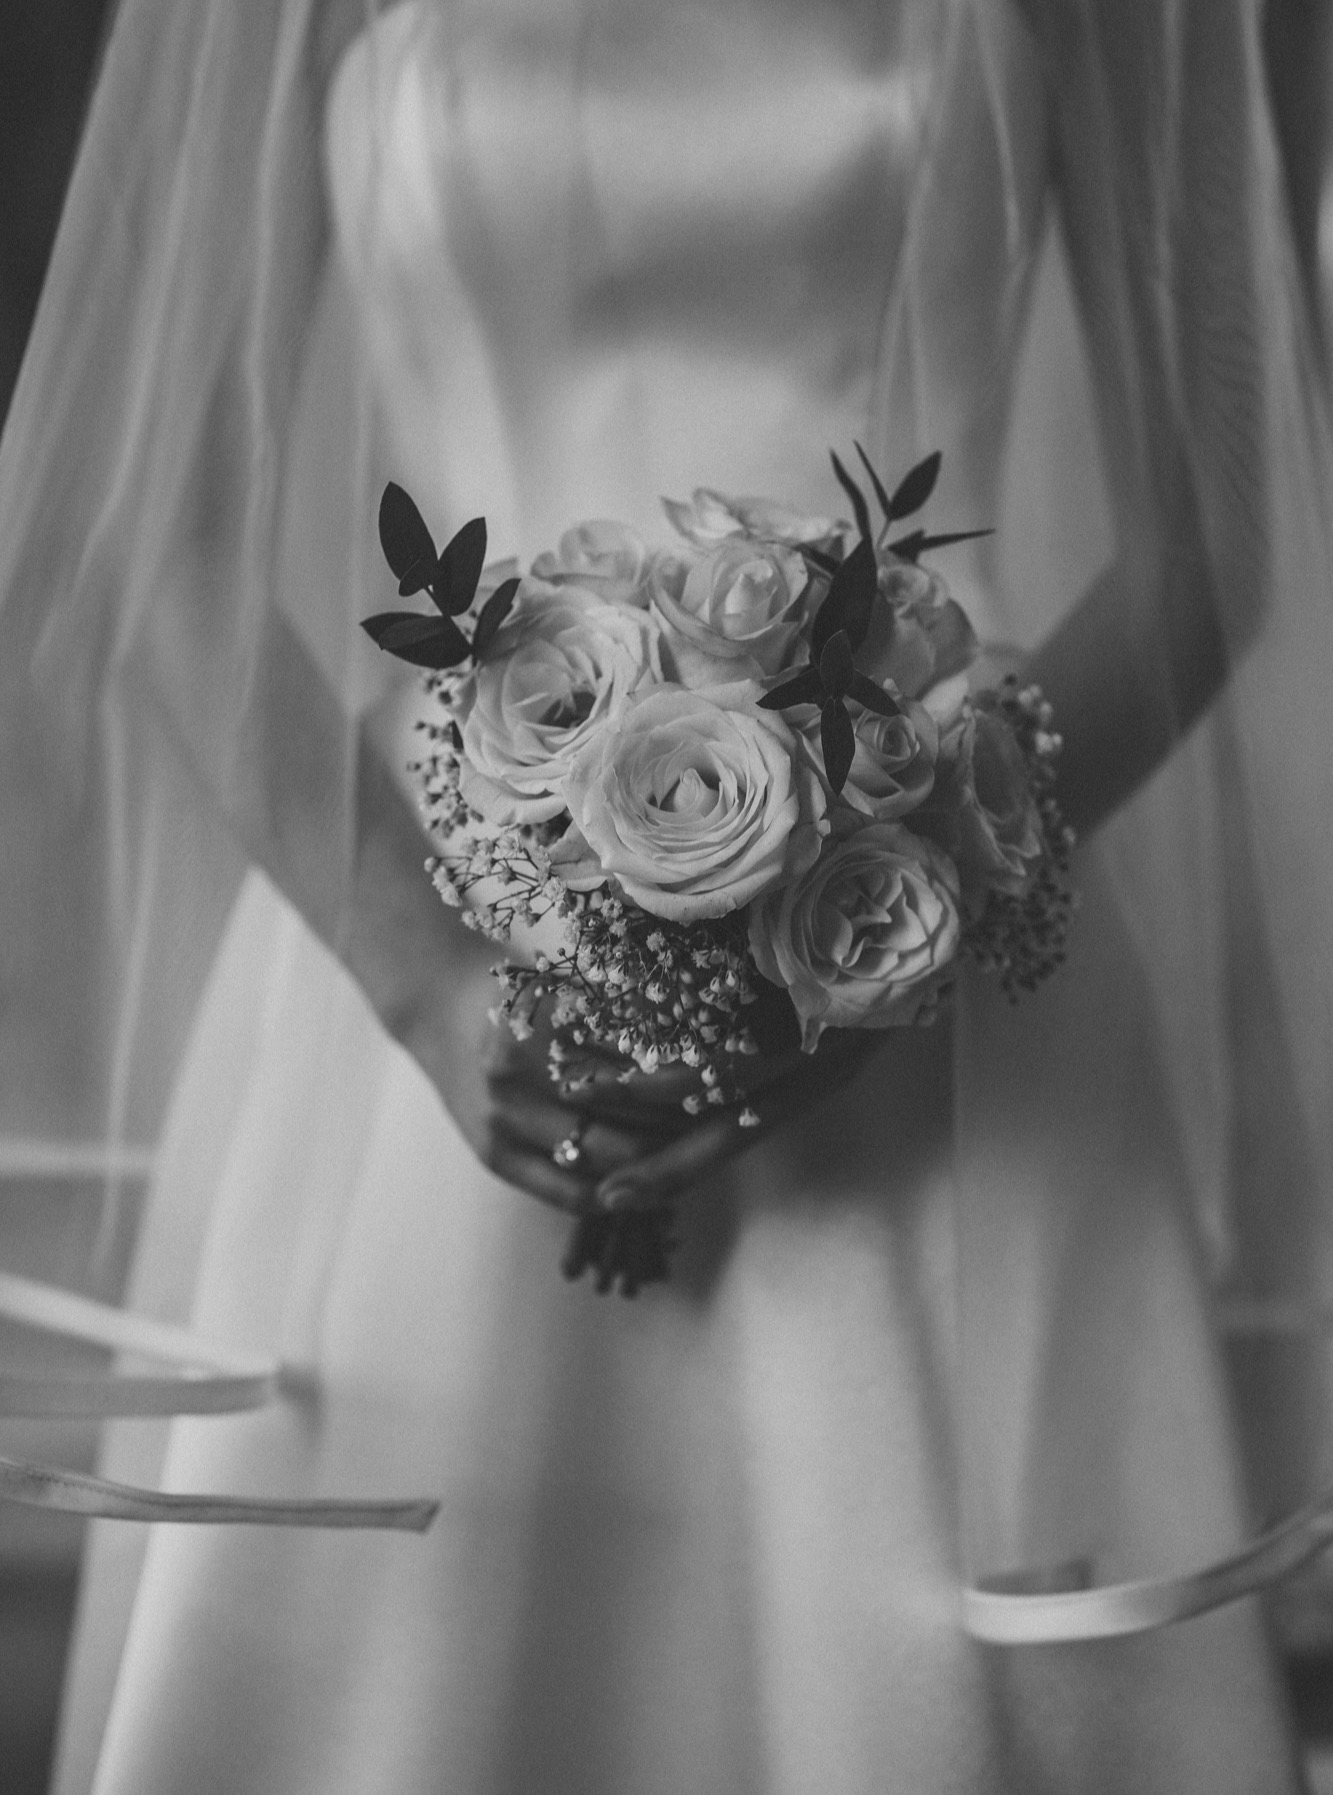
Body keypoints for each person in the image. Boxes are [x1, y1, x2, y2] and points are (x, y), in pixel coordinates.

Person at [0, 0, 1330, 1789]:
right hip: (435, 949)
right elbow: (163, 526)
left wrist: (883, 905)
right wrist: (419, 980)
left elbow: (1218, 531)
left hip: (940, 987)